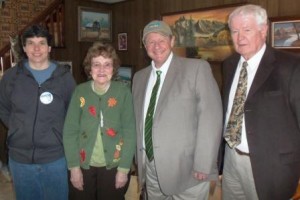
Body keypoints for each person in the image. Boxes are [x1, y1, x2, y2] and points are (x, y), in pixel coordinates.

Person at [132, 20, 223, 199]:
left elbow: (211, 118)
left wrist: (204, 164)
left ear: (172, 41)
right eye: (150, 41)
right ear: (144, 46)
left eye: (162, 40)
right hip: (151, 168)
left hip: (189, 170)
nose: (156, 46)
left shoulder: (196, 68)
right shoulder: (139, 77)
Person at [221, 4, 300, 200]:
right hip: (232, 159)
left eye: (246, 30)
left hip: (271, 168)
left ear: (263, 30)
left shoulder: (290, 67)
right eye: (235, 31)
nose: (240, 37)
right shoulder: (229, 65)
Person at [0, 24, 76, 200]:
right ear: (24, 48)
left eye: (41, 43)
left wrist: (58, 134)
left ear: (49, 48)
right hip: (20, 160)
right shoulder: (11, 77)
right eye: (31, 43)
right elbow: (2, 107)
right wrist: (17, 127)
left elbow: (72, 113)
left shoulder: (64, 78)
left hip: (55, 158)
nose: (36, 48)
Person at [63, 42, 136, 200]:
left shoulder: (123, 93)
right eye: (96, 64)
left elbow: (130, 133)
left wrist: (124, 169)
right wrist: (74, 168)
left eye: (107, 65)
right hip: (83, 165)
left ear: (113, 68)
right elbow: (69, 132)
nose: (102, 70)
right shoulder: (80, 91)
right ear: (90, 68)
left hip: (114, 166)